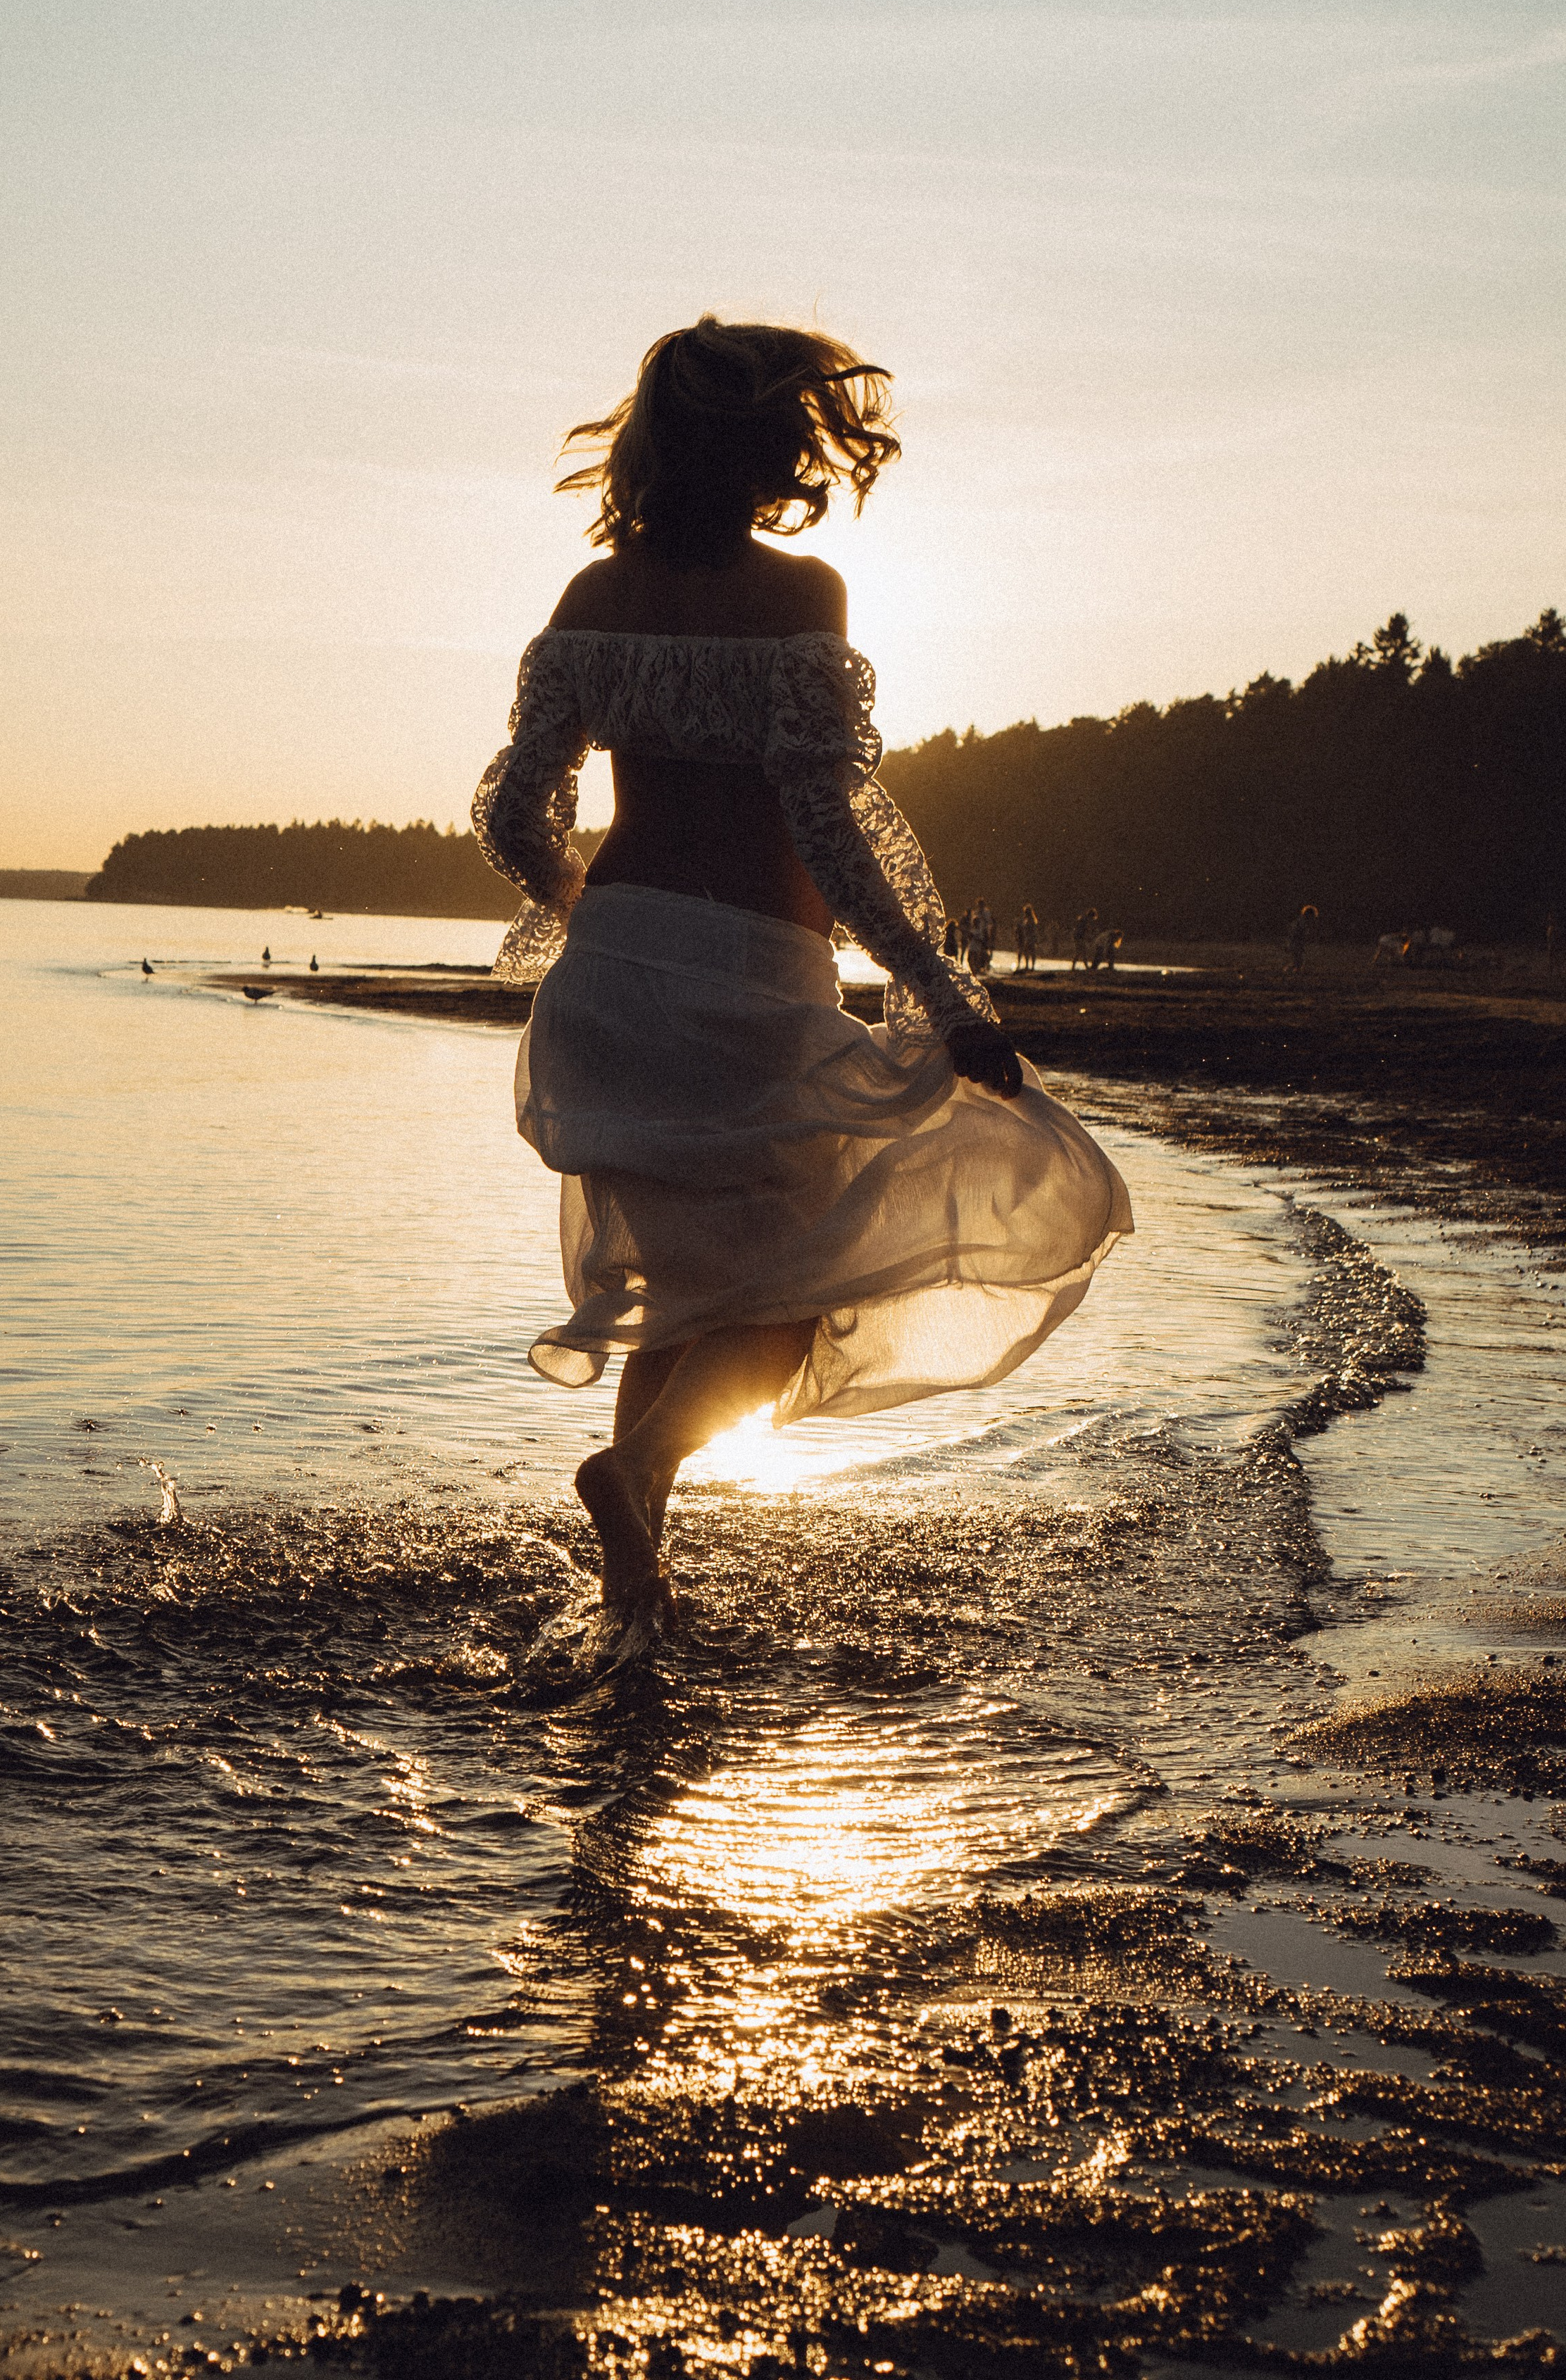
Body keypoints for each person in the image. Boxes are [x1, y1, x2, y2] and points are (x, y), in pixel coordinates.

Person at [474, 317, 1132, 1614]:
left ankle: (635, 1584)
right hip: (751, 980)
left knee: (677, 1296)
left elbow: (511, 818)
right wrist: (949, 1005)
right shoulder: (801, 598)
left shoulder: (592, 602)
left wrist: (580, 902)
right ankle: (644, 1466)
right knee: (789, 1287)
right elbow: (831, 837)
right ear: (780, 448)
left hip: (606, 981)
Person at [968, 899, 996, 974]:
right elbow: (972, 922)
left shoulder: (987, 912)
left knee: (985, 949)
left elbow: (990, 923)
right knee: (974, 953)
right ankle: (977, 968)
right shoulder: (976, 912)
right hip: (976, 931)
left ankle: (984, 965)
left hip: (985, 931)